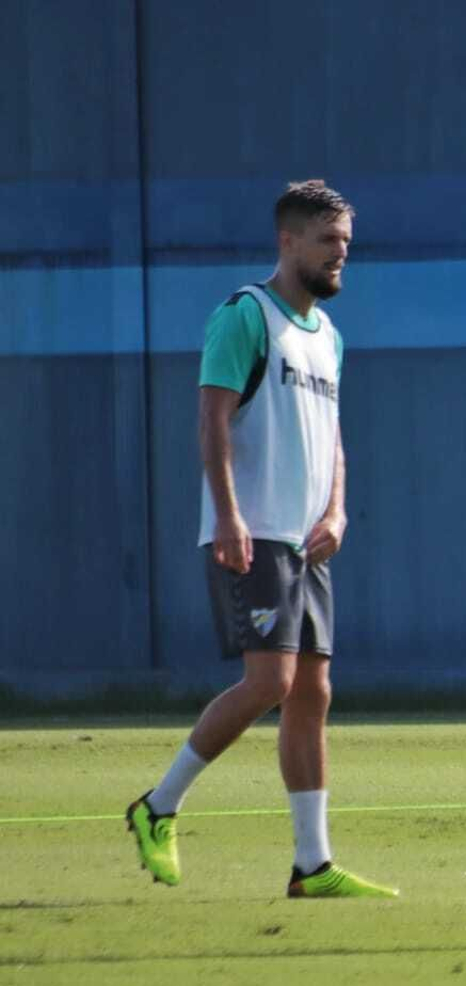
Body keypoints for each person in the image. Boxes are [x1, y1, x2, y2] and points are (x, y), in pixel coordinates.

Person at [125, 180, 397, 899]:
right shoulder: (245, 315)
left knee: (312, 691)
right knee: (271, 682)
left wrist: (337, 512)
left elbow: (333, 440)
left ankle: (312, 864)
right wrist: (229, 516)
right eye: (327, 241)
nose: (340, 254)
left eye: (346, 242)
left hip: (307, 542)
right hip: (255, 531)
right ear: (288, 241)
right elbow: (211, 420)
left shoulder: (328, 336)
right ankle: (158, 806)